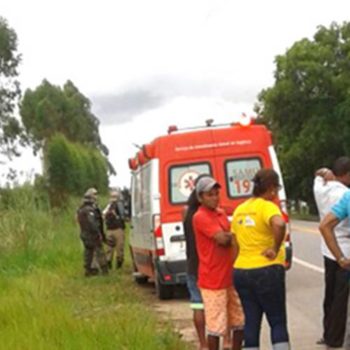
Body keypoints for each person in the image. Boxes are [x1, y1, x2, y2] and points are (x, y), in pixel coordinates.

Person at [231, 168, 290, 350]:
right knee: (277, 320)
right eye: (276, 189)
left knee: (251, 321)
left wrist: (237, 264)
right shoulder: (268, 207)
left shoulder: (240, 209)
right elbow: (279, 224)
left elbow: (234, 242)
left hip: (241, 270)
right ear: (271, 187)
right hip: (266, 270)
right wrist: (274, 247)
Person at [193, 176, 244, 350]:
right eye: (210, 194)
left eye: (216, 193)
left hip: (229, 276)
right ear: (200, 197)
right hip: (212, 280)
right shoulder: (200, 216)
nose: (215, 197)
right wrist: (234, 236)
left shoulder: (220, 213)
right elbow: (222, 238)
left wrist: (231, 236)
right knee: (216, 326)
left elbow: (227, 235)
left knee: (238, 320)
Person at [313, 157, 350, 348]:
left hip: (328, 249)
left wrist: (324, 172)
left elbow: (318, 174)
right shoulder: (346, 194)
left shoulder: (320, 189)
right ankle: (337, 338)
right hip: (344, 248)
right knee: (341, 300)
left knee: (330, 295)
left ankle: (328, 334)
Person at [183, 174, 210, 350]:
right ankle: (228, 340)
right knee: (219, 305)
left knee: (198, 304)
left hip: (193, 265)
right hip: (209, 265)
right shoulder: (206, 214)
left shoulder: (186, 212)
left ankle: (202, 344)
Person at [76, 188, 108, 276]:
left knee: (88, 253)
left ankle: (88, 270)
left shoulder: (81, 208)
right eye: (94, 194)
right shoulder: (90, 209)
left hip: (84, 233)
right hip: (92, 234)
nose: (96, 196)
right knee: (99, 252)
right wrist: (98, 233)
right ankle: (104, 270)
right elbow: (92, 223)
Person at [103, 190, 126, 269]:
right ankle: (111, 263)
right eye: (112, 196)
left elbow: (123, 216)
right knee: (111, 248)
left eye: (115, 196)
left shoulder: (117, 205)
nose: (113, 198)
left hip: (115, 229)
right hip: (113, 228)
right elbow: (104, 214)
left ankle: (117, 263)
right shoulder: (110, 205)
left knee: (117, 248)